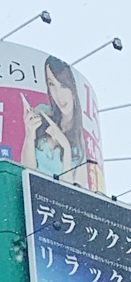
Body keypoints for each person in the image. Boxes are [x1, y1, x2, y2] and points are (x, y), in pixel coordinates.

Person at [21, 56, 95, 188]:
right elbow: (27, 171)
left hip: (55, 203)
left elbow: (74, 194)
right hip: (33, 194)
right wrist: (29, 135)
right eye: (51, 84)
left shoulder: (82, 141)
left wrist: (65, 146)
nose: (58, 95)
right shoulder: (42, 113)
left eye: (63, 85)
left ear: (72, 88)